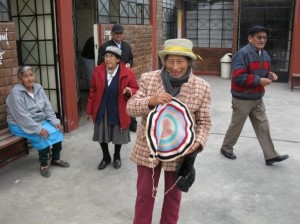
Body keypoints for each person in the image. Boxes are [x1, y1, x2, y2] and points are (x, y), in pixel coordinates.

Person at [126, 38, 211, 223]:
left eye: (180, 61)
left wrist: (197, 143)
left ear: (189, 61)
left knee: (173, 197)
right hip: (148, 148)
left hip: (179, 151)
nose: (175, 67)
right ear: (164, 61)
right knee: (144, 196)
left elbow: (204, 122)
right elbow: (130, 107)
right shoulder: (149, 79)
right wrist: (151, 101)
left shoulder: (201, 87)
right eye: (170, 61)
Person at [220, 25, 289, 166]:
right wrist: (259, 80)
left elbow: (265, 72)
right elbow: (238, 77)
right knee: (236, 126)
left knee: (263, 126)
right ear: (250, 38)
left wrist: (270, 74)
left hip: (257, 97)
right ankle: (226, 148)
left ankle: (271, 156)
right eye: (259, 37)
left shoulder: (264, 54)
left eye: (264, 38)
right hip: (242, 98)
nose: (262, 40)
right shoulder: (242, 54)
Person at [6, 66, 70, 178]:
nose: (30, 78)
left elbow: (47, 106)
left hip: (38, 119)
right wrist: (38, 129)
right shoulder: (16, 92)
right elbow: (22, 116)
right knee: (42, 136)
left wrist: (55, 121)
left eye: (31, 75)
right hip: (18, 123)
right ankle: (44, 165)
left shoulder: (38, 87)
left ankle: (56, 158)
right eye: (25, 76)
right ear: (20, 79)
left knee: (57, 130)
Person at [86, 46, 138, 170]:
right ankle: (106, 157)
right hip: (102, 108)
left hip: (118, 108)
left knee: (117, 134)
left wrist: (129, 91)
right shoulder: (98, 70)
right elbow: (92, 91)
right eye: (106, 56)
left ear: (118, 59)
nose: (108, 59)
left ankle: (117, 156)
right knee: (101, 134)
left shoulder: (127, 72)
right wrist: (89, 110)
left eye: (111, 57)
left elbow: (136, 89)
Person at [97, 23, 137, 132]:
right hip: (112, 78)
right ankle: (116, 123)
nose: (119, 35)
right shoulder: (105, 47)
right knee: (117, 101)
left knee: (129, 98)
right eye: (116, 33)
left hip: (125, 77)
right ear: (112, 34)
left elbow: (131, 58)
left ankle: (132, 123)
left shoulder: (126, 46)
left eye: (120, 33)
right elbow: (100, 63)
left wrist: (129, 64)